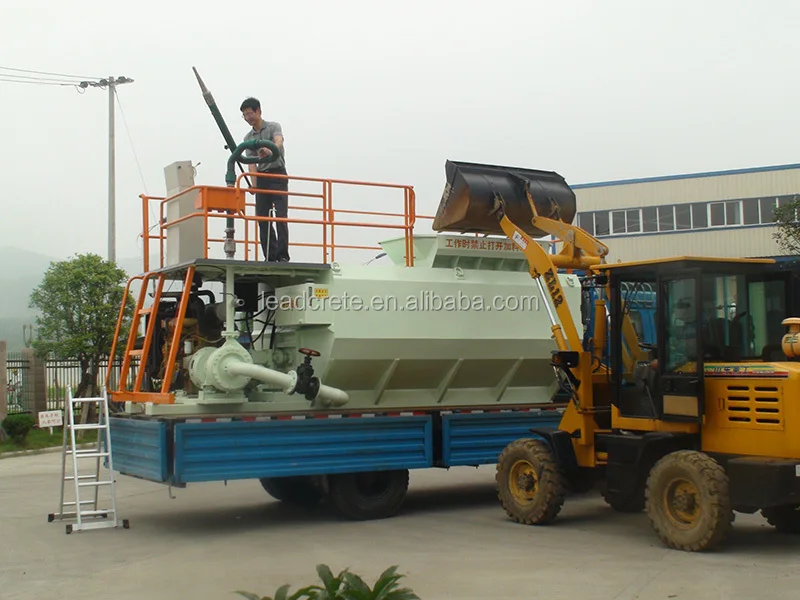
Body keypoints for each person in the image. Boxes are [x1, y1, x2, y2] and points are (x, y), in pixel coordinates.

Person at [240, 97, 290, 262]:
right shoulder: (248, 138)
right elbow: (251, 163)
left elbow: (279, 141)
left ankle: (282, 255)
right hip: (262, 178)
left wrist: (271, 150)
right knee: (263, 218)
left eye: (250, 114)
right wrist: (254, 185)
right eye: (245, 115)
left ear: (259, 111)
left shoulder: (273, 127)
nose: (248, 118)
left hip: (277, 175)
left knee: (280, 216)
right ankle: (270, 255)